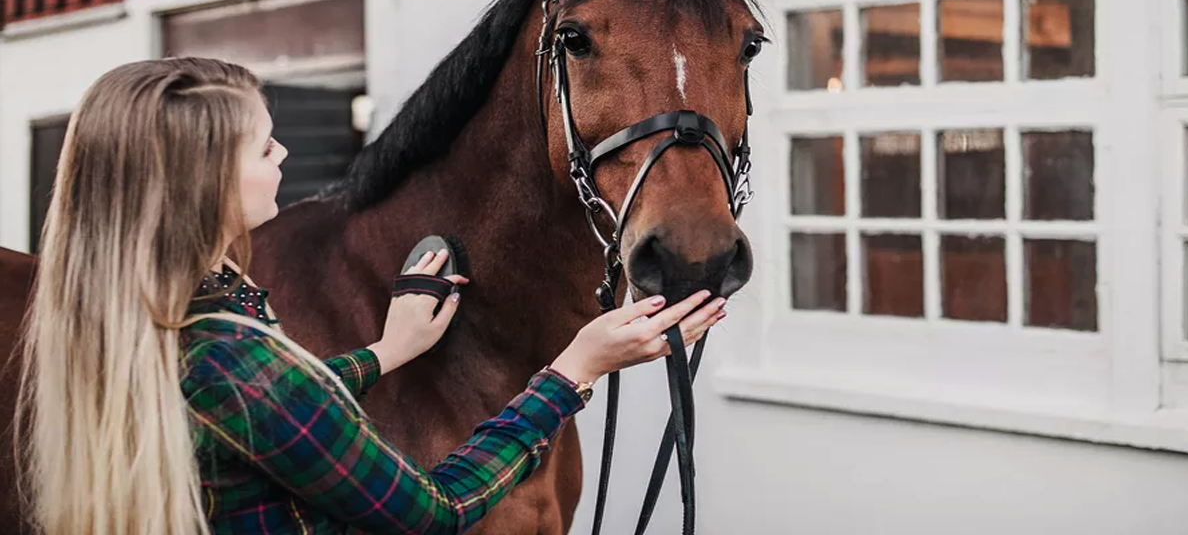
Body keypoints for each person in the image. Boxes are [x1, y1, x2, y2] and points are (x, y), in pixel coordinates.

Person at [16, 57, 727, 535]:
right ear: (201, 180)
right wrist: (574, 370)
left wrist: (387, 352)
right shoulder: (231, 356)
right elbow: (436, 512)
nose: (283, 155)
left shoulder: (153, 318)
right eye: (264, 148)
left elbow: (268, 409)